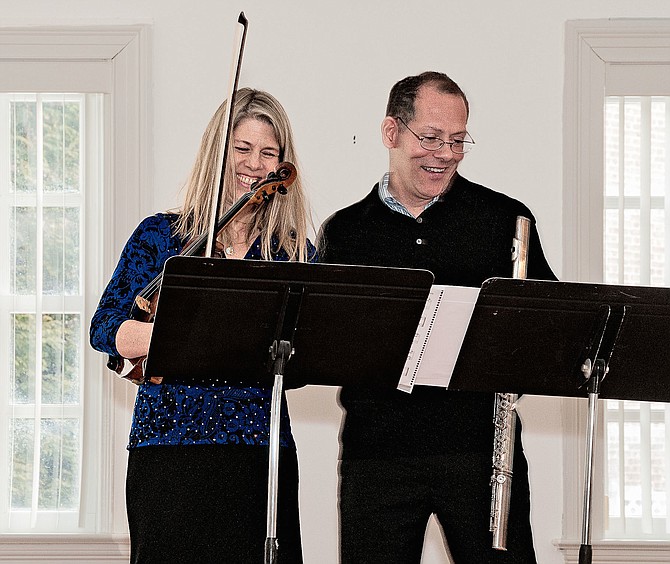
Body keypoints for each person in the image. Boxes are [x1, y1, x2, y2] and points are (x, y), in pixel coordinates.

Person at [318, 72, 556, 563]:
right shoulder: (345, 231)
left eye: (458, 140)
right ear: (391, 133)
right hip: (376, 455)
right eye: (430, 138)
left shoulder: (507, 219)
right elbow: (323, 344)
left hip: (481, 452)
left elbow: (547, 328)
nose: (445, 153)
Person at [90, 88, 316, 564]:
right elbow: (105, 327)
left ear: (281, 167)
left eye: (268, 153)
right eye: (242, 148)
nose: (254, 164)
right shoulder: (163, 236)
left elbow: (308, 356)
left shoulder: (292, 254)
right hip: (168, 448)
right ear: (218, 153)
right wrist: (183, 337)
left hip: (260, 451)